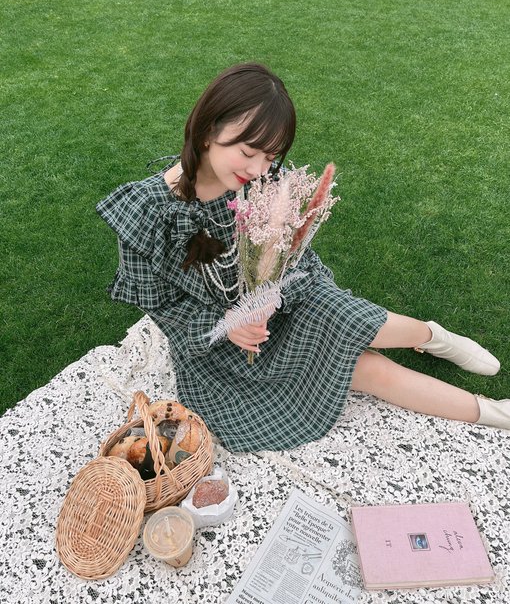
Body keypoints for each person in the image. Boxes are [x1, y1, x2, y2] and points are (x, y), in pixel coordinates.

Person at [96, 63, 508, 452]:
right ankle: (493, 412)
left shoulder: (263, 184)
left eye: (270, 157)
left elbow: (293, 257)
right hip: (226, 347)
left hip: (284, 302)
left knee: (355, 320)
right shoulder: (147, 210)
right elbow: (162, 307)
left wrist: (272, 296)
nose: (258, 169)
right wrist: (228, 326)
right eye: (248, 151)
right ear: (207, 131)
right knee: (367, 370)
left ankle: (432, 337)